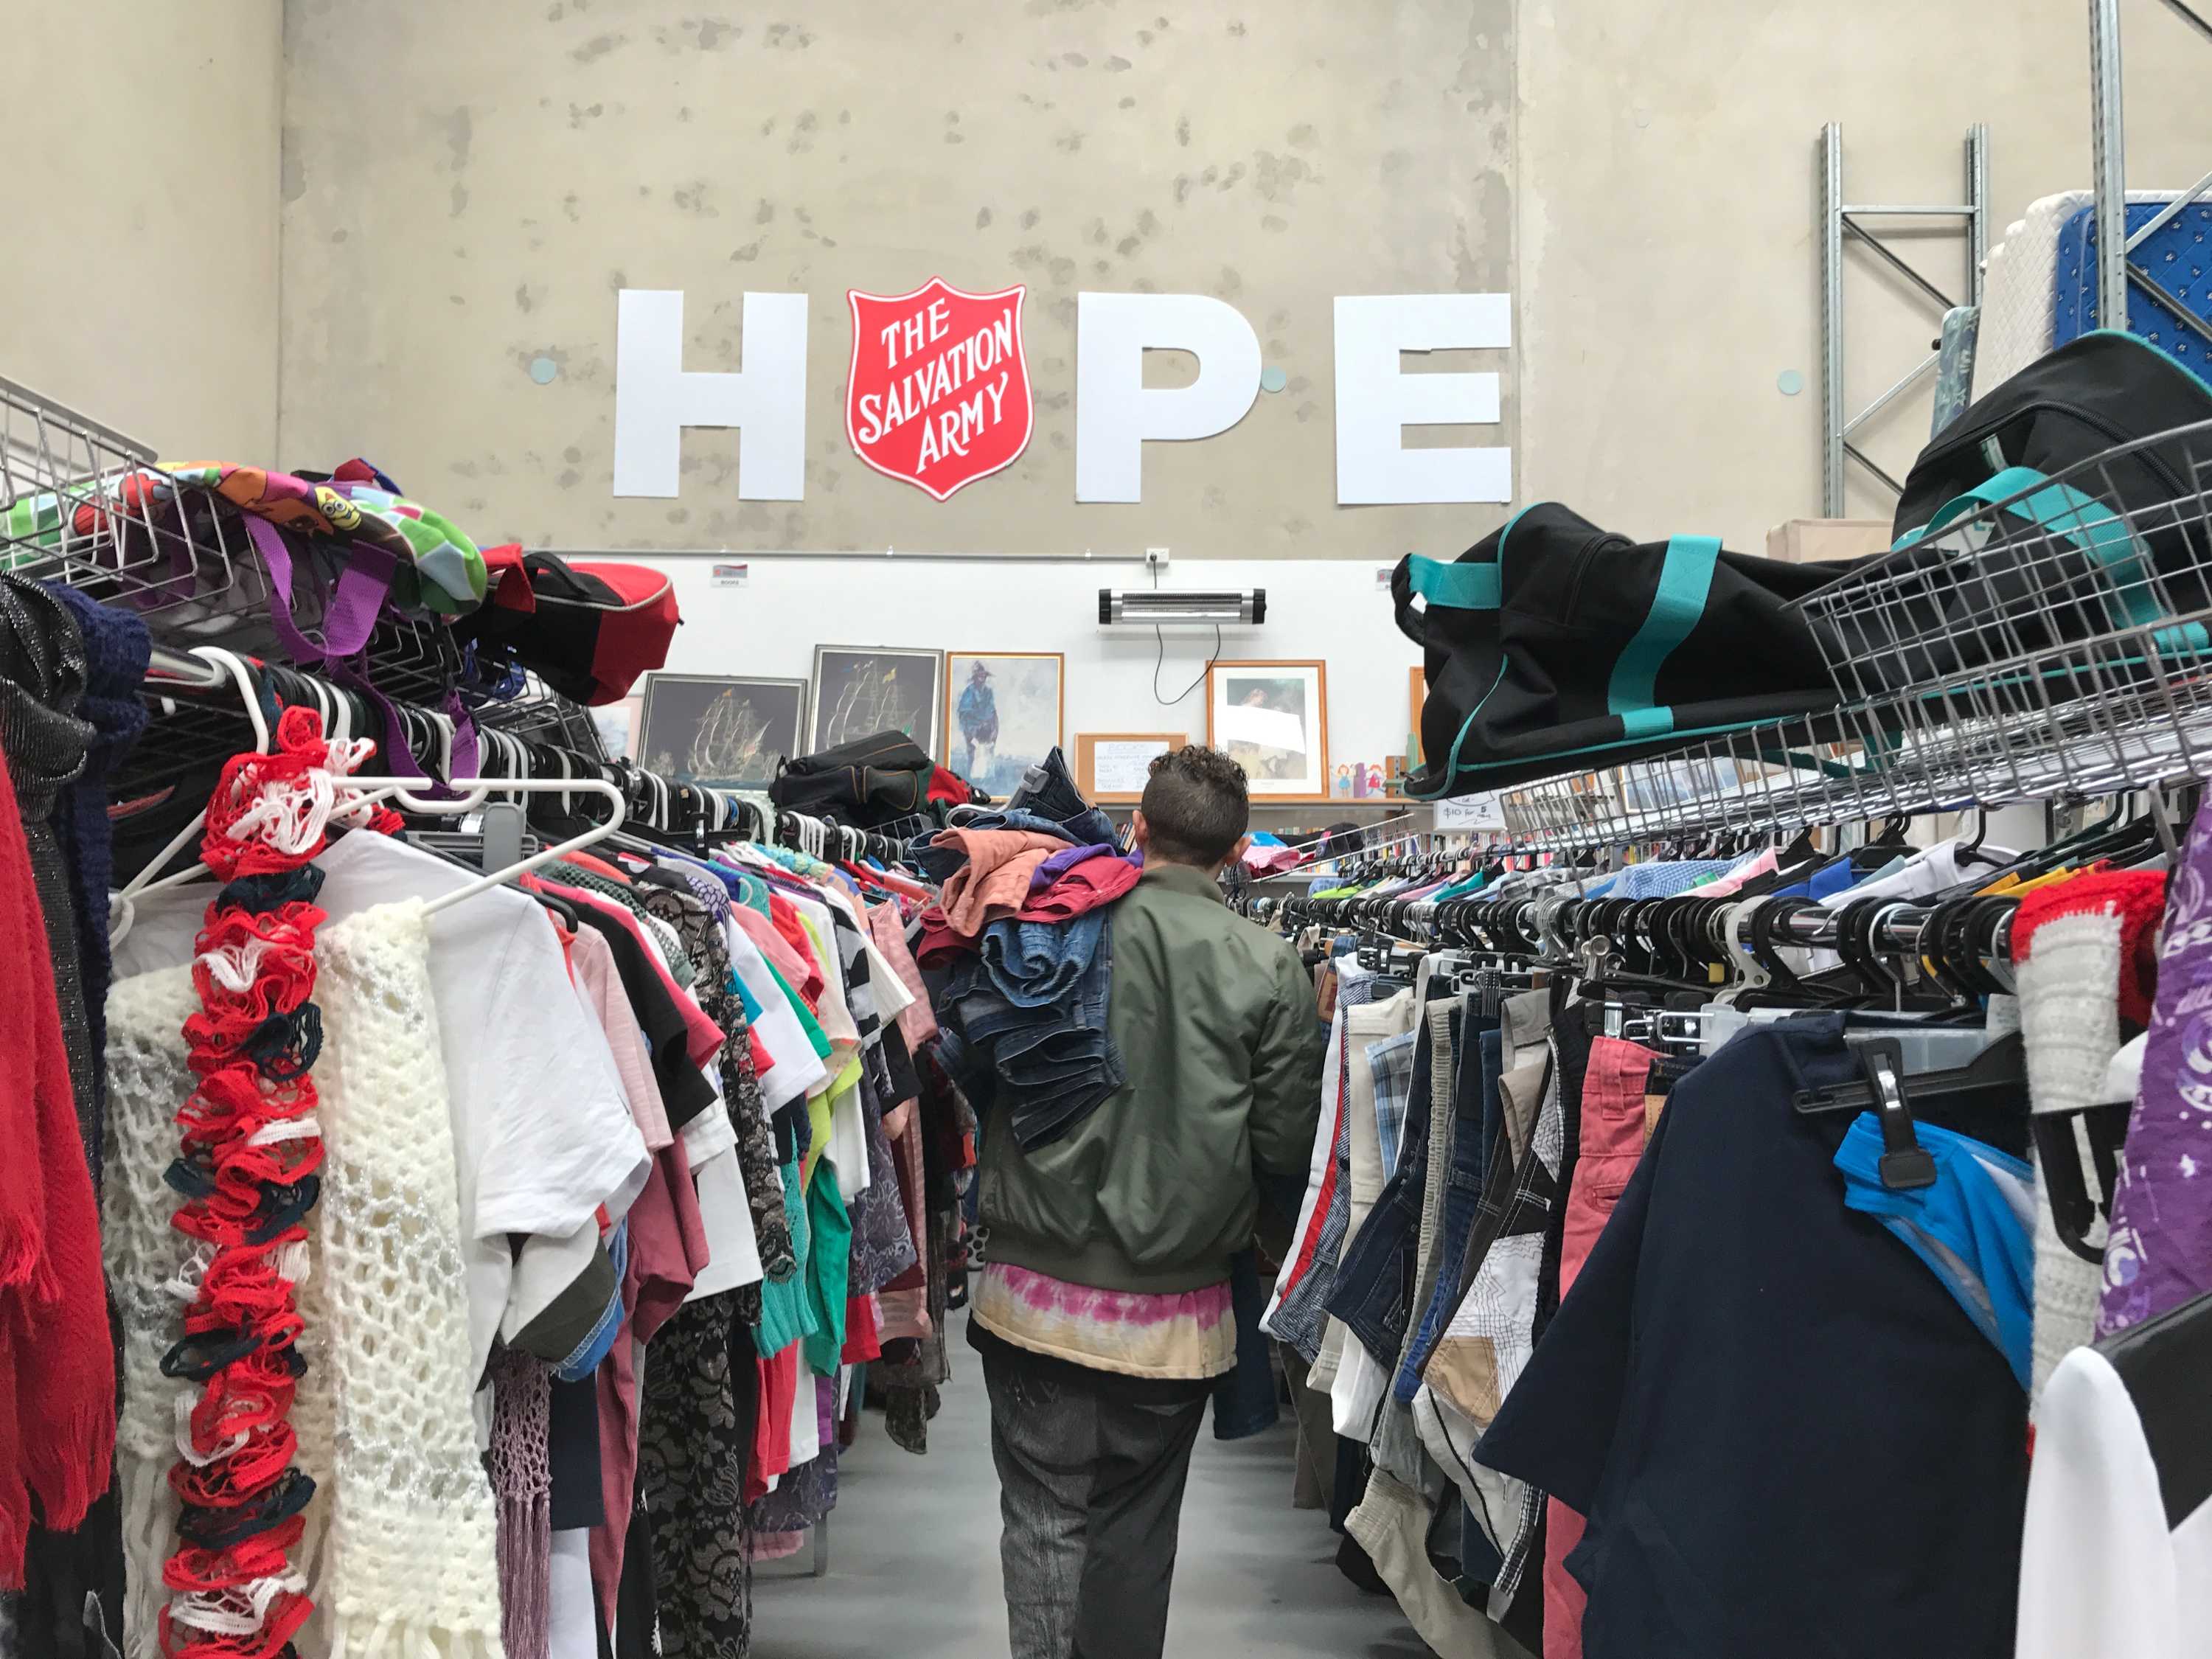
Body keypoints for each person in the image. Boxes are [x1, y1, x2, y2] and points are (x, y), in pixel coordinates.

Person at [968, 743, 1326, 1659]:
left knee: (1042, 1516)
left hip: (1033, 1294)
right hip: (1175, 1313)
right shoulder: (1272, 963)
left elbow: (975, 1065)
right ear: (1238, 853)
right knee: (1135, 1530)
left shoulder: (1057, 925)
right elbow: (1286, 1146)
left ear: (1137, 827)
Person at [958, 659, 1000, 778]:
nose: (982, 678)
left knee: (988, 751)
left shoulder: (988, 692)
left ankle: (988, 777)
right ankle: (971, 779)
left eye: (984, 676)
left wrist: (994, 728)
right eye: (979, 676)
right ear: (975, 677)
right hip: (971, 727)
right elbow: (964, 712)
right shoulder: (969, 692)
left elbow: (992, 710)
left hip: (987, 726)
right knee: (973, 752)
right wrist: (973, 727)